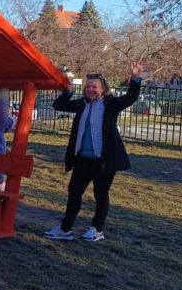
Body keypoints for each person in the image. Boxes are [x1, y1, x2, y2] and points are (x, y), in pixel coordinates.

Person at [44, 62, 144, 242]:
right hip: (83, 159)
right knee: (74, 191)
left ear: (103, 88)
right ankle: (65, 229)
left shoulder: (110, 103)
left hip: (103, 161)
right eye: (87, 86)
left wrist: (135, 79)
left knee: (100, 194)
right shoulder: (81, 104)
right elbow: (58, 105)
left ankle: (97, 229)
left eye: (94, 87)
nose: (90, 89)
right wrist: (67, 92)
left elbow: (130, 98)